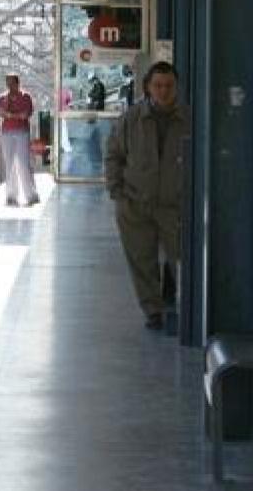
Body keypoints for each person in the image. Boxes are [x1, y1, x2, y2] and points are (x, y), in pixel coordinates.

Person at [104, 62, 189, 330]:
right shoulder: (131, 119)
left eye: (169, 86)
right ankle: (152, 310)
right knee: (142, 260)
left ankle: (188, 307)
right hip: (135, 203)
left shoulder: (189, 120)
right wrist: (116, 191)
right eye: (158, 86)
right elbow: (113, 155)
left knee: (183, 258)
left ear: (176, 88)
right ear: (148, 88)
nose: (163, 91)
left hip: (175, 206)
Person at [0, 73, 40, 206]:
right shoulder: (3, 97)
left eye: (11, 83)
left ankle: (31, 195)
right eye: (7, 83)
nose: (9, 85)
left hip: (22, 133)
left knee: (24, 163)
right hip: (6, 133)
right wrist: (14, 115)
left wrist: (10, 115)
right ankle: (11, 196)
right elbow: (0, 112)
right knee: (9, 164)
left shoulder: (25, 97)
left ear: (17, 83)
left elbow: (25, 114)